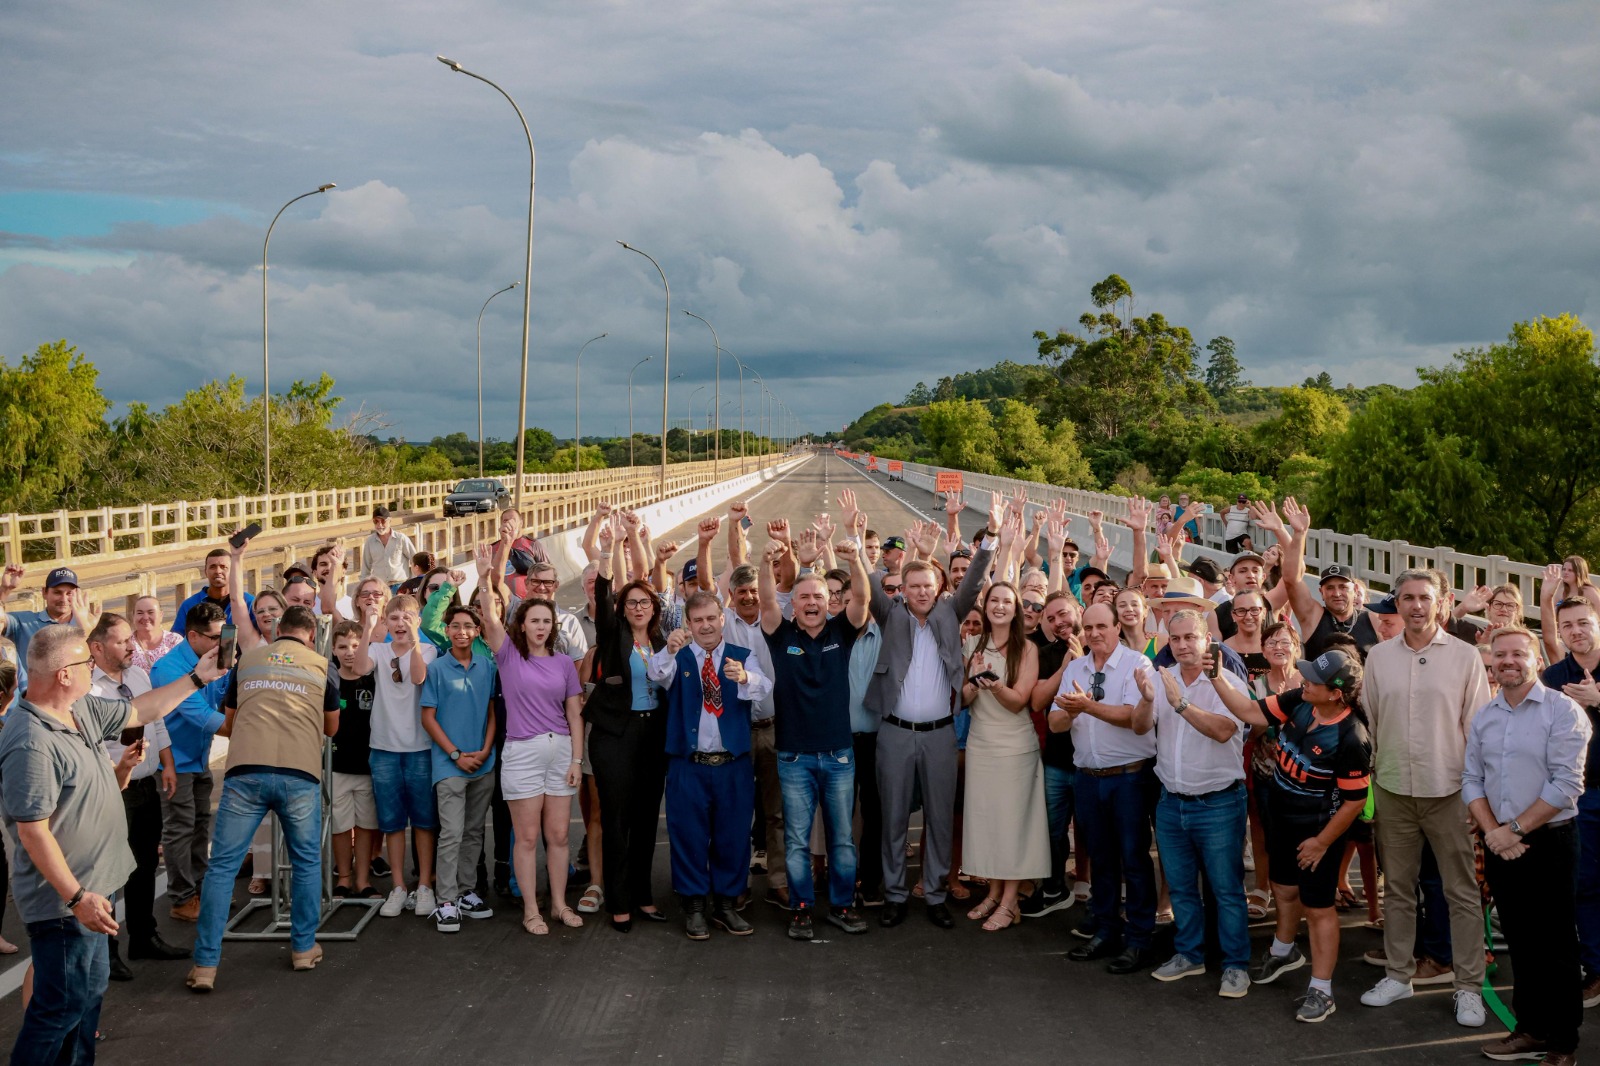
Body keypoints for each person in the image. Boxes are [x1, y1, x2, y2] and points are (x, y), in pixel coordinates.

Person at [1, 624, 224, 1058]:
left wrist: (198, 678)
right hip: (66, 905)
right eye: (86, 661)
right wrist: (76, 898)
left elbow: (142, 709)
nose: (93, 666)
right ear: (64, 674)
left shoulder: (79, 708)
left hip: (93, 893)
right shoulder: (31, 742)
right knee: (58, 1009)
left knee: (85, 999)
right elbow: (33, 830)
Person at [1208, 649, 1372, 1023]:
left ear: (1336, 694)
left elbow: (1354, 802)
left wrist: (1321, 843)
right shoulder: (1300, 699)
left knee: (1317, 908)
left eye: (1314, 679)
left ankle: (1322, 990)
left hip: (1318, 832)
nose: (1304, 681)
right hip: (1281, 819)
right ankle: (1284, 952)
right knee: (1283, 889)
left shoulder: (1351, 737)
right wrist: (1216, 677)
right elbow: (1250, 712)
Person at [1358, 569, 1492, 1027]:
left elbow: (1476, 728)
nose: (1416, 605)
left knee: (1461, 892)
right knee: (1397, 888)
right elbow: (1373, 720)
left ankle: (1469, 987)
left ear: (1441, 602)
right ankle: (1398, 974)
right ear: (1396, 603)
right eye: (1408, 597)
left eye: (1425, 597)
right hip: (1393, 788)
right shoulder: (1378, 657)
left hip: (1449, 790)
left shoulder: (1465, 656)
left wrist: (1476, 796)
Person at [186, 605, 340, 991]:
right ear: (310, 635)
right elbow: (331, 728)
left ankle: (205, 965)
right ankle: (303, 948)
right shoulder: (323, 666)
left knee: (222, 867)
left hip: (246, 770)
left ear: (277, 629)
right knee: (306, 862)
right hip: (299, 772)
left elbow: (230, 720)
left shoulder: (249, 662)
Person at [1465, 627, 1588, 1065]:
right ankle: (1531, 1030)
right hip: (1500, 842)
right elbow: (1471, 779)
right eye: (1500, 655)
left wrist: (1513, 830)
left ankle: (1562, 1044)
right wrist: (1493, 832)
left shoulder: (1563, 711)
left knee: (1556, 946)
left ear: (1537, 660)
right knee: (1520, 942)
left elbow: (1567, 784)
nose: (1508, 661)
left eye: (1518, 653)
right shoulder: (1485, 716)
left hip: (1550, 841)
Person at [867, 508, 992, 931]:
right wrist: (853, 541)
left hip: (940, 735)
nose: (921, 592)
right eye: (913, 586)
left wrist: (991, 538)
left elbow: (974, 580)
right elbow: (868, 587)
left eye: (927, 585)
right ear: (902, 590)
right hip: (895, 734)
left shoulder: (949, 613)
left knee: (939, 819)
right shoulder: (891, 615)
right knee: (894, 818)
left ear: (939, 587)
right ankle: (895, 894)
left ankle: (935, 893)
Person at [1133, 610, 1252, 998]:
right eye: (1176, 638)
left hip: (1218, 803)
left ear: (1207, 640)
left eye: (1190, 637)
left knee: (1226, 890)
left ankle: (1236, 965)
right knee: (1182, 888)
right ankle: (1189, 954)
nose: (1182, 645)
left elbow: (1223, 730)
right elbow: (1140, 727)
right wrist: (1146, 701)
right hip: (1171, 802)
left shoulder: (1226, 682)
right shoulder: (1160, 677)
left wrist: (1180, 703)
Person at [760, 528, 872, 941]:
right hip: (793, 755)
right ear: (794, 604)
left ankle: (841, 905)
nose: (811, 603)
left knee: (842, 839)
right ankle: (801, 909)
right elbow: (767, 600)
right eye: (804, 597)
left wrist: (854, 559)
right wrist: (767, 562)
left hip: (839, 754)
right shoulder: (780, 635)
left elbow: (862, 600)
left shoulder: (841, 632)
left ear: (830, 603)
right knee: (796, 841)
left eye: (818, 597)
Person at [648, 591, 773, 939]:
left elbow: (764, 687)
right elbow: (656, 673)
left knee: (733, 836)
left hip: (733, 764)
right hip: (689, 764)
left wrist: (745, 678)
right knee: (688, 835)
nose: (705, 626)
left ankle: (726, 904)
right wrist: (669, 649)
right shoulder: (679, 656)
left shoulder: (741, 656)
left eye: (711, 619)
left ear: (722, 619)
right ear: (688, 624)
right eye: (697, 620)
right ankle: (694, 906)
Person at [477, 559, 585, 936]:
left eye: (546, 621)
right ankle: (530, 909)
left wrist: (576, 759)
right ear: (522, 624)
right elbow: (489, 618)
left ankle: (559, 904)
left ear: (553, 626)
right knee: (525, 838)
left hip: (561, 751)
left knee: (558, 836)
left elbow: (574, 714)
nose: (541, 627)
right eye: (535, 620)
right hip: (522, 752)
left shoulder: (564, 664)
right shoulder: (508, 655)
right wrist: (484, 577)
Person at [1058, 602, 1159, 974]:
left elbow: (1133, 719)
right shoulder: (1075, 668)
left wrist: (1085, 706)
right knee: (1101, 859)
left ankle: (1139, 939)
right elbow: (1055, 722)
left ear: (1118, 627)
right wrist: (1071, 711)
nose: (1094, 633)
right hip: (1087, 777)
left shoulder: (1137, 664)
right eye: (1088, 628)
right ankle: (1105, 931)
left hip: (1129, 777)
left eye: (1102, 626)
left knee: (1134, 860)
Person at [85, 614, 188, 981]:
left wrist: (167, 764)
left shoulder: (138, 675)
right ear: (97, 648)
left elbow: (156, 720)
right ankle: (107, 951)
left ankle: (143, 936)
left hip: (145, 785)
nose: (131, 646)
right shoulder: (89, 690)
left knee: (144, 865)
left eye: (131, 639)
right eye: (122, 641)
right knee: (111, 872)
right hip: (114, 790)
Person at [584, 543, 668, 932]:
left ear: (654, 607)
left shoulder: (663, 641)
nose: (637, 608)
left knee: (647, 819)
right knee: (616, 819)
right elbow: (603, 600)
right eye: (631, 602)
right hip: (615, 735)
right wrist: (605, 557)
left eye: (644, 602)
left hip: (653, 736)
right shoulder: (613, 633)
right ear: (622, 608)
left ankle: (643, 896)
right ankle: (618, 901)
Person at [960, 579, 1047, 931]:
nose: (999, 606)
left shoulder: (1027, 649)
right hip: (980, 744)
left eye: (1006, 601)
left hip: (1015, 748)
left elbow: (1019, 702)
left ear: (1015, 610)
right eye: (994, 600)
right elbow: (962, 700)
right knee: (989, 822)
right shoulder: (971, 643)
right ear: (986, 606)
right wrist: (973, 681)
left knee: (1013, 825)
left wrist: (995, 685)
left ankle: (1010, 901)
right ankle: (994, 893)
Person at [353, 593, 439, 920]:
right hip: (384, 748)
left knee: (424, 820)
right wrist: (368, 627)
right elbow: (360, 667)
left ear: (417, 620)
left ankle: (425, 884)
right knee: (392, 822)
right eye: (394, 618)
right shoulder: (378, 649)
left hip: (420, 748)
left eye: (406, 617)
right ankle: (399, 886)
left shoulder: (428, 650)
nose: (400, 623)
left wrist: (413, 639)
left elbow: (418, 677)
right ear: (386, 622)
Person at [149, 601, 231, 922]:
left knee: (199, 825)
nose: (222, 643)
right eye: (215, 637)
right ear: (193, 636)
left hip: (199, 759)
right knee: (180, 830)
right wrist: (253, 730)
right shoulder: (168, 669)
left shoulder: (217, 657)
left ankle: (200, 889)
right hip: (173, 763)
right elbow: (204, 717)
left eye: (225, 635)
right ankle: (182, 898)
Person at [420, 603, 498, 933]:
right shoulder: (436, 669)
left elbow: (492, 712)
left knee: (474, 831)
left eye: (468, 626)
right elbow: (428, 717)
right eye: (455, 626)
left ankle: (466, 891)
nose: (462, 631)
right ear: (447, 630)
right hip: (449, 764)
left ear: (478, 631)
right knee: (451, 832)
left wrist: (486, 749)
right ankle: (446, 900)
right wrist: (455, 754)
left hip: (483, 762)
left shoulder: (487, 666)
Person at [1541, 596, 1600, 1004]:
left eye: (1583, 622)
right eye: (1567, 625)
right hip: (1581, 794)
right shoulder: (1554, 676)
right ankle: (1596, 969)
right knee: (1585, 885)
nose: (1576, 631)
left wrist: (1597, 702)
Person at [1023, 591, 1083, 918]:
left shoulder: (1108, 648)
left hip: (1095, 762)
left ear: (1079, 611)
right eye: (1051, 618)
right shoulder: (1045, 654)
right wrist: (1065, 668)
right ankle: (1053, 889)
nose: (1058, 622)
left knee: (1099, 833)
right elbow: (1036, 701)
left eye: (1063, 614)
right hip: (1058, 760)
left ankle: (1103, 898)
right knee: (1052, 831)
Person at [328, 620, 381, 900]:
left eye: (356, 646)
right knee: (340, 825)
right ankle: (344, 878)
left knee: (366, 825)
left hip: (368, 766)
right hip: (337, 767)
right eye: (343, 646)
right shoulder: (329, 681)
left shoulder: (372, 679)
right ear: (333, 649)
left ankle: (362, 879)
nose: (350, 652)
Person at [0, 565, 101, 695]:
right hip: (36, 699)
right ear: (44, 592)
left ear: (77, 594)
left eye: (69, 593)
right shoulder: (23, 622)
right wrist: (5, 590)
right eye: (57, 592)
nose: (63, 599)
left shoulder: (88, 624)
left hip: (78, 697)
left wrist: (85, 631)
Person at [170, 549, 254, 634]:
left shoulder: (248, 603)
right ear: (205, 572)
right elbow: (177, 638)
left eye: (223, 567)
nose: (218, 571)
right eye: (212, 567)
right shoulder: (189, 605)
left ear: (233, 571)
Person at [359, 506, 417, 591]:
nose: (380, 525)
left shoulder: (401, 539)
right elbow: (365, 569)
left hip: (400, 587)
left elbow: (415, 560)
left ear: (390, 521)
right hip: (380, 588)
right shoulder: (370, 542)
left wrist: (414, 583)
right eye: (376, 521)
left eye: (383, 521)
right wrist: (363, 589)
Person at [129, 595, 183, 673]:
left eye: (150, 612)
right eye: (140, 613)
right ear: (133, 616)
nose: (145, 617)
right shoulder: (126, 642)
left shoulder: (174, 640)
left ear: (161, 615)